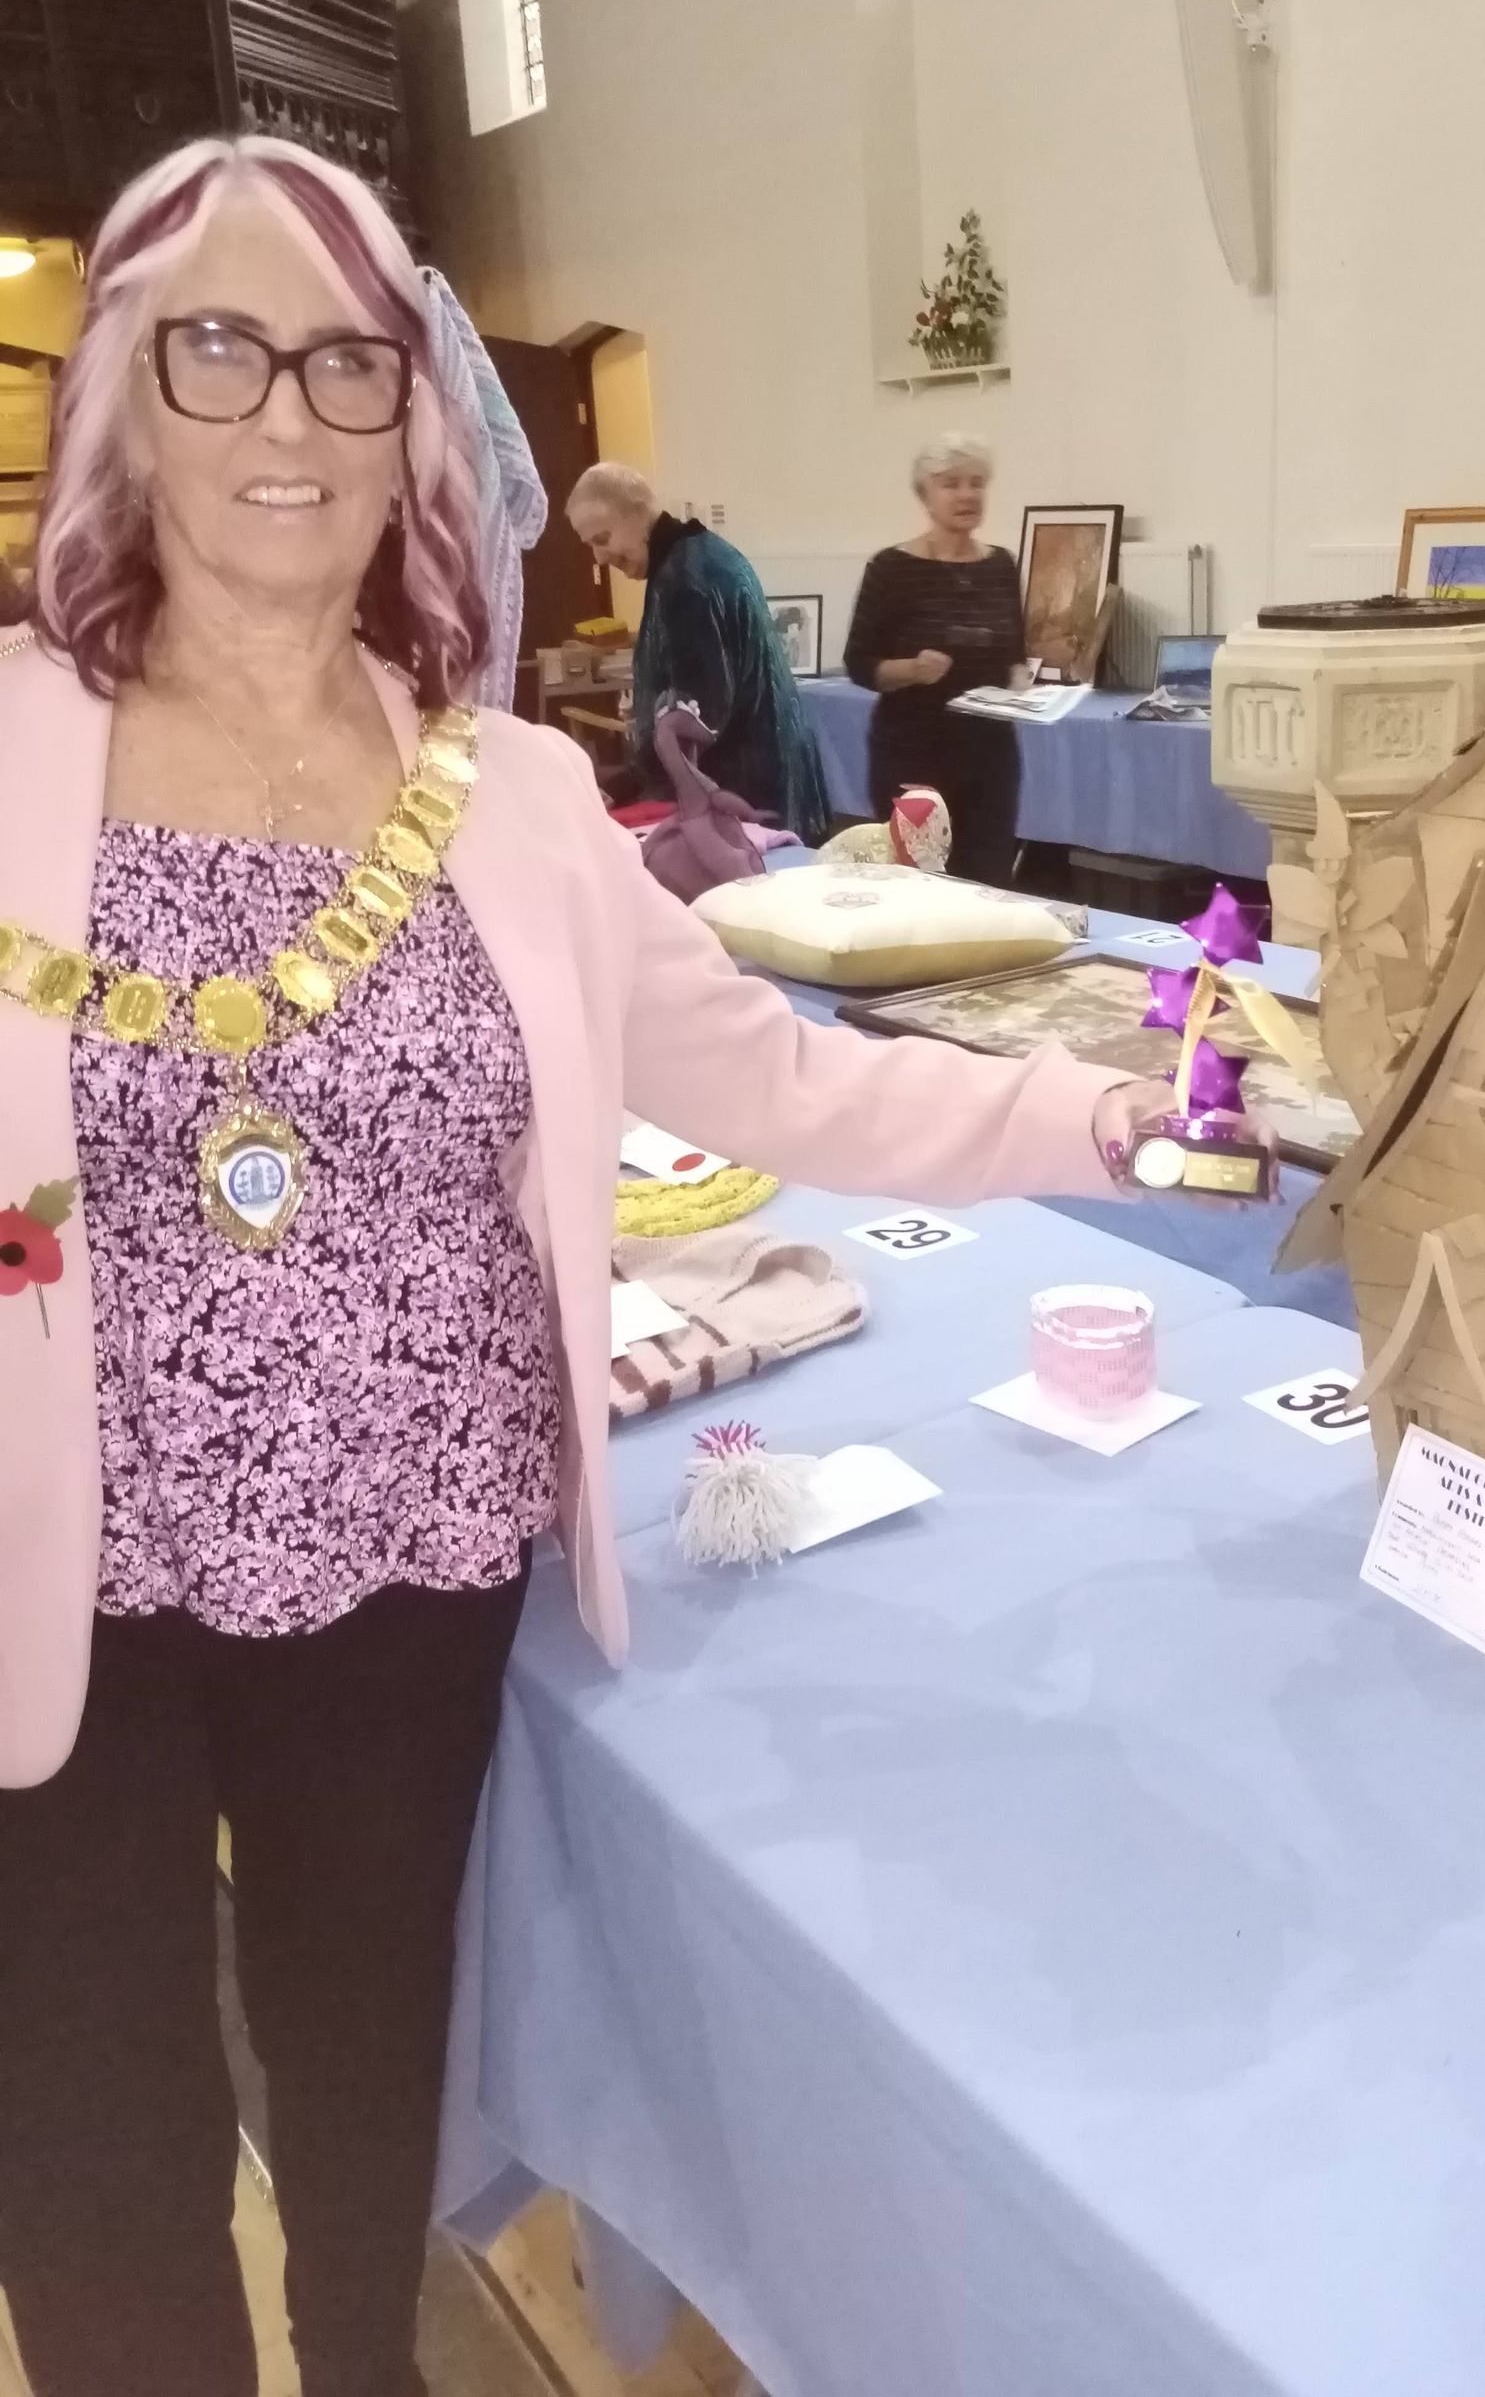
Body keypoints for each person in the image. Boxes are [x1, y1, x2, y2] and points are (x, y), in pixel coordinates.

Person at [0, 136, 1203, 2397]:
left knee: (365, 2088)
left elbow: (789, 1085)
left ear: (415, 425)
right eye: (221, 346)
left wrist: (1097, 1112)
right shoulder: (2, 746)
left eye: (346, 363)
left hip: (411, 1559)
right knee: (87, 2144)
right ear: (124, 399)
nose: (285, 417)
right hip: (63, 1567)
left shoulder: (510, 798)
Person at [565, 462, 829, 844]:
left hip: (747, 792)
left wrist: (621, 784)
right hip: (768, 771)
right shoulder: (700, 555)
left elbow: (697, 719)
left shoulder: (686, 581)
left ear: (638, 511)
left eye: (602, 538)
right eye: (589, 544)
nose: (599, 558)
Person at [842, 434, 1026, 886]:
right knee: (920, 888)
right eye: (951, 484)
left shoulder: (1001, 565)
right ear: (925, 495)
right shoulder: (891, 568)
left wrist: (1025, 686)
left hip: (990, 758)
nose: (967, 494)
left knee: (988, 884)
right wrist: (912, 670)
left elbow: (1015, 657)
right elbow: (860, 663)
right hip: (913, 755)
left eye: (976, 483)